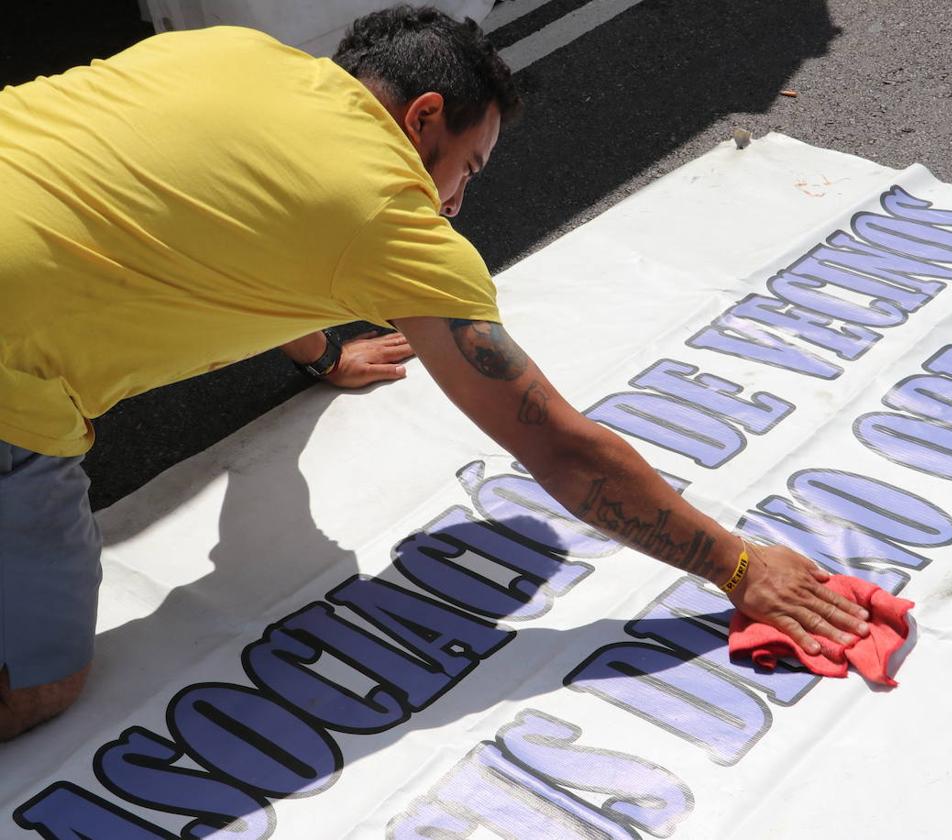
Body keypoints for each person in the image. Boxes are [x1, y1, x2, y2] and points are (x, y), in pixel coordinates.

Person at [0, 5, 871, 742]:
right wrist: (739, 568)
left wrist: (324, 353)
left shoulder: (230, 50)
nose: (455, 200)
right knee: (42, 685)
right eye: (468, 168)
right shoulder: (397, 223)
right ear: (422, 117)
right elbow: (564, 449)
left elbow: (217, 219)